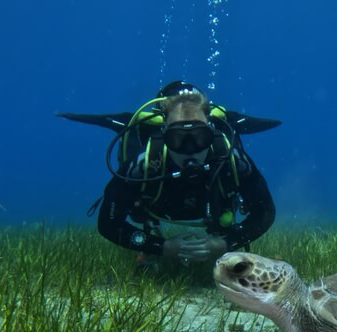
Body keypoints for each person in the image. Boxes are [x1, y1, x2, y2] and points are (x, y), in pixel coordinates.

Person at [59, 81, 279, 265]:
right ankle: (151, 233)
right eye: (178, 139)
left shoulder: (232, 161)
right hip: (156, 209)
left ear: (212, 133)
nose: (190, 150)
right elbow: (108, 223)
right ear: (163, 136)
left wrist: (226, 243)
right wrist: (162, 247)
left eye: (200, 137)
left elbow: (265, 212)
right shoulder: (143, 166)